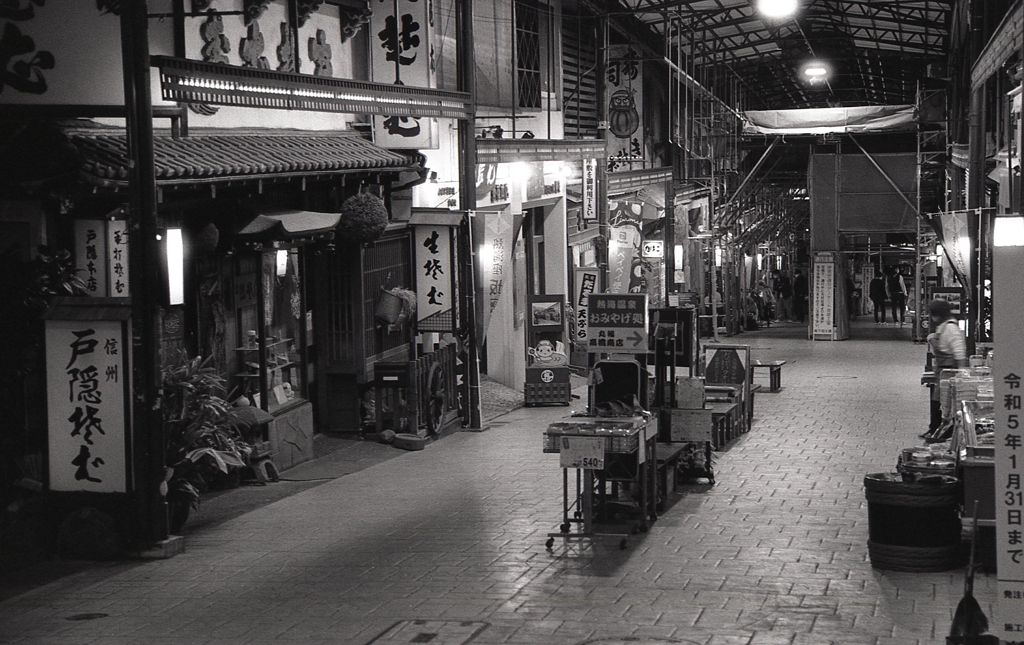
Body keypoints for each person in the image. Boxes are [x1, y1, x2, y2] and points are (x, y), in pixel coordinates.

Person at [924, 298, 968, 436]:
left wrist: (961, 376)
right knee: (937, 400)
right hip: (942, 371)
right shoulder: (943, 326)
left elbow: (959, 353)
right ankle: (934, 429)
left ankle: (941, 432)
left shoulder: (951, 329)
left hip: (949, 373)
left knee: (945, 403)